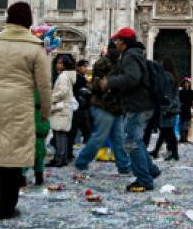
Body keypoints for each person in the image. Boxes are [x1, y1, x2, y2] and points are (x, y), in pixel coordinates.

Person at [0, 2, 51, 221]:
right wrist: (45, 111)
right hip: (21, 106)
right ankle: (5, 206)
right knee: (15, 157)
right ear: (28, 20)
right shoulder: (35, 46)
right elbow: (44, 85)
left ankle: (3, 200)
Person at [99, 27, 160, 192]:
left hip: (137, 104)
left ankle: (144, 179)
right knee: (135, 140)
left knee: (131, 141)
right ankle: (151, 170)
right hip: (141, 103)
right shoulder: (134, 54)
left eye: (117, 40)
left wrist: (110, 82)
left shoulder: (130, 56)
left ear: (123, 42)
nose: (116, 43)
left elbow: (132, 78)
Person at [75, 41, 132, 174]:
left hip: (116, 107)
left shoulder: (120, 63)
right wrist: (106, 84)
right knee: (100, 136)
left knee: (119, 138)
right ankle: (82, 162)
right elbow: (95, 85)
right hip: (102, 105)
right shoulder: (102, 63)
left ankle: (124, 166)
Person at [48, 55, 77, 168]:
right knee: (61, 134)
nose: (57, 65)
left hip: (61, 109)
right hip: (64, 108)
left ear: (64, 65)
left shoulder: (63, 77)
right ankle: (62, 158)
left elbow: (63, 91)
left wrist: (52, 97)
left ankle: (59, 159)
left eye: (60, 63)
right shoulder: (66, 76)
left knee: (59, 134)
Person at [150, 57, 180, 161]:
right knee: (164, 131)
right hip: (171, 106)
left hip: (168, 107)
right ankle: (157, 151)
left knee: (169, 131)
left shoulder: (167, 76)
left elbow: (166, 92)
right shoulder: (173, 76)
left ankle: (175, 153)